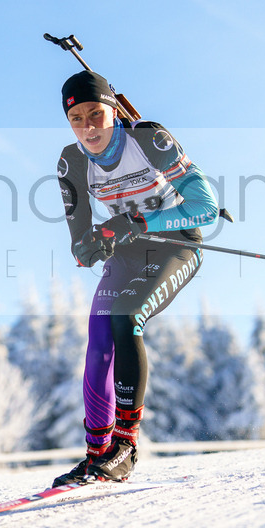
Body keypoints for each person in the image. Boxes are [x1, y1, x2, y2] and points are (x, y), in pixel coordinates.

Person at [53, 70, 218, 486]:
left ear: (113, 111)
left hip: (176, 242)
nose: (88, 128)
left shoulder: (149, 141)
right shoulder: (71, 162)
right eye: (77, 119)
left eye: (96, 115)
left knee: (126, 317)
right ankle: (97, 454)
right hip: (129, 249)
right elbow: (80, 236)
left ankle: (125, 446)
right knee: (99, 333)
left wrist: (139, 218)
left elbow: (206, 208)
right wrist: (88, 246)